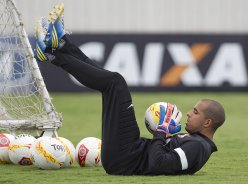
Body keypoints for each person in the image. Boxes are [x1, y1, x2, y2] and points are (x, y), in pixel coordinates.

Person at [34, 4, 226, 175]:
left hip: (125, 158)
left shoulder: (200, 148)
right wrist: (161, 134)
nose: (188, 114)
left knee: (115, 83)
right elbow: (162, 153)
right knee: (110, 81)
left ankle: (53, 55)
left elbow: (159, 164)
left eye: (195, 112)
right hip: (130, 150)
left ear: (207, 122)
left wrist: (160, 132)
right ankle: (62, 44)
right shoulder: (195, 140)